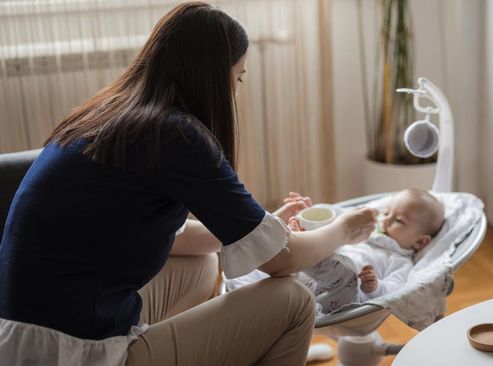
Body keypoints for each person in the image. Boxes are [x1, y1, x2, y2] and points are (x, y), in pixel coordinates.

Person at [0, 3, 377, 366]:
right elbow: (283, 261)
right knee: (294, 300)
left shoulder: (115, 115)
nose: (235, 89)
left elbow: (177, 237)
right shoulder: (175, 133)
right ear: (214, 76)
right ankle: (271, 343)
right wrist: (344, 227)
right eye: (238, 76)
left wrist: (261, 228)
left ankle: (250, 346)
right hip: (73, 352)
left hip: (24, 336)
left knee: (199, 265)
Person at [286, 189, 444, 314]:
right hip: (308, 283)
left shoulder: (400, 261)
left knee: (349, 270)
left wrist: (375, 286)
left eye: (399, 220)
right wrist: (310, 216)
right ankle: (302, 242)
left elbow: (395, 290)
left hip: (340, 296)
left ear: (420, 242)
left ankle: (301, 246)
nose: (386, 220)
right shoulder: (368, 231)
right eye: (387, 212)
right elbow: (340, 222)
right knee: (328, 226)